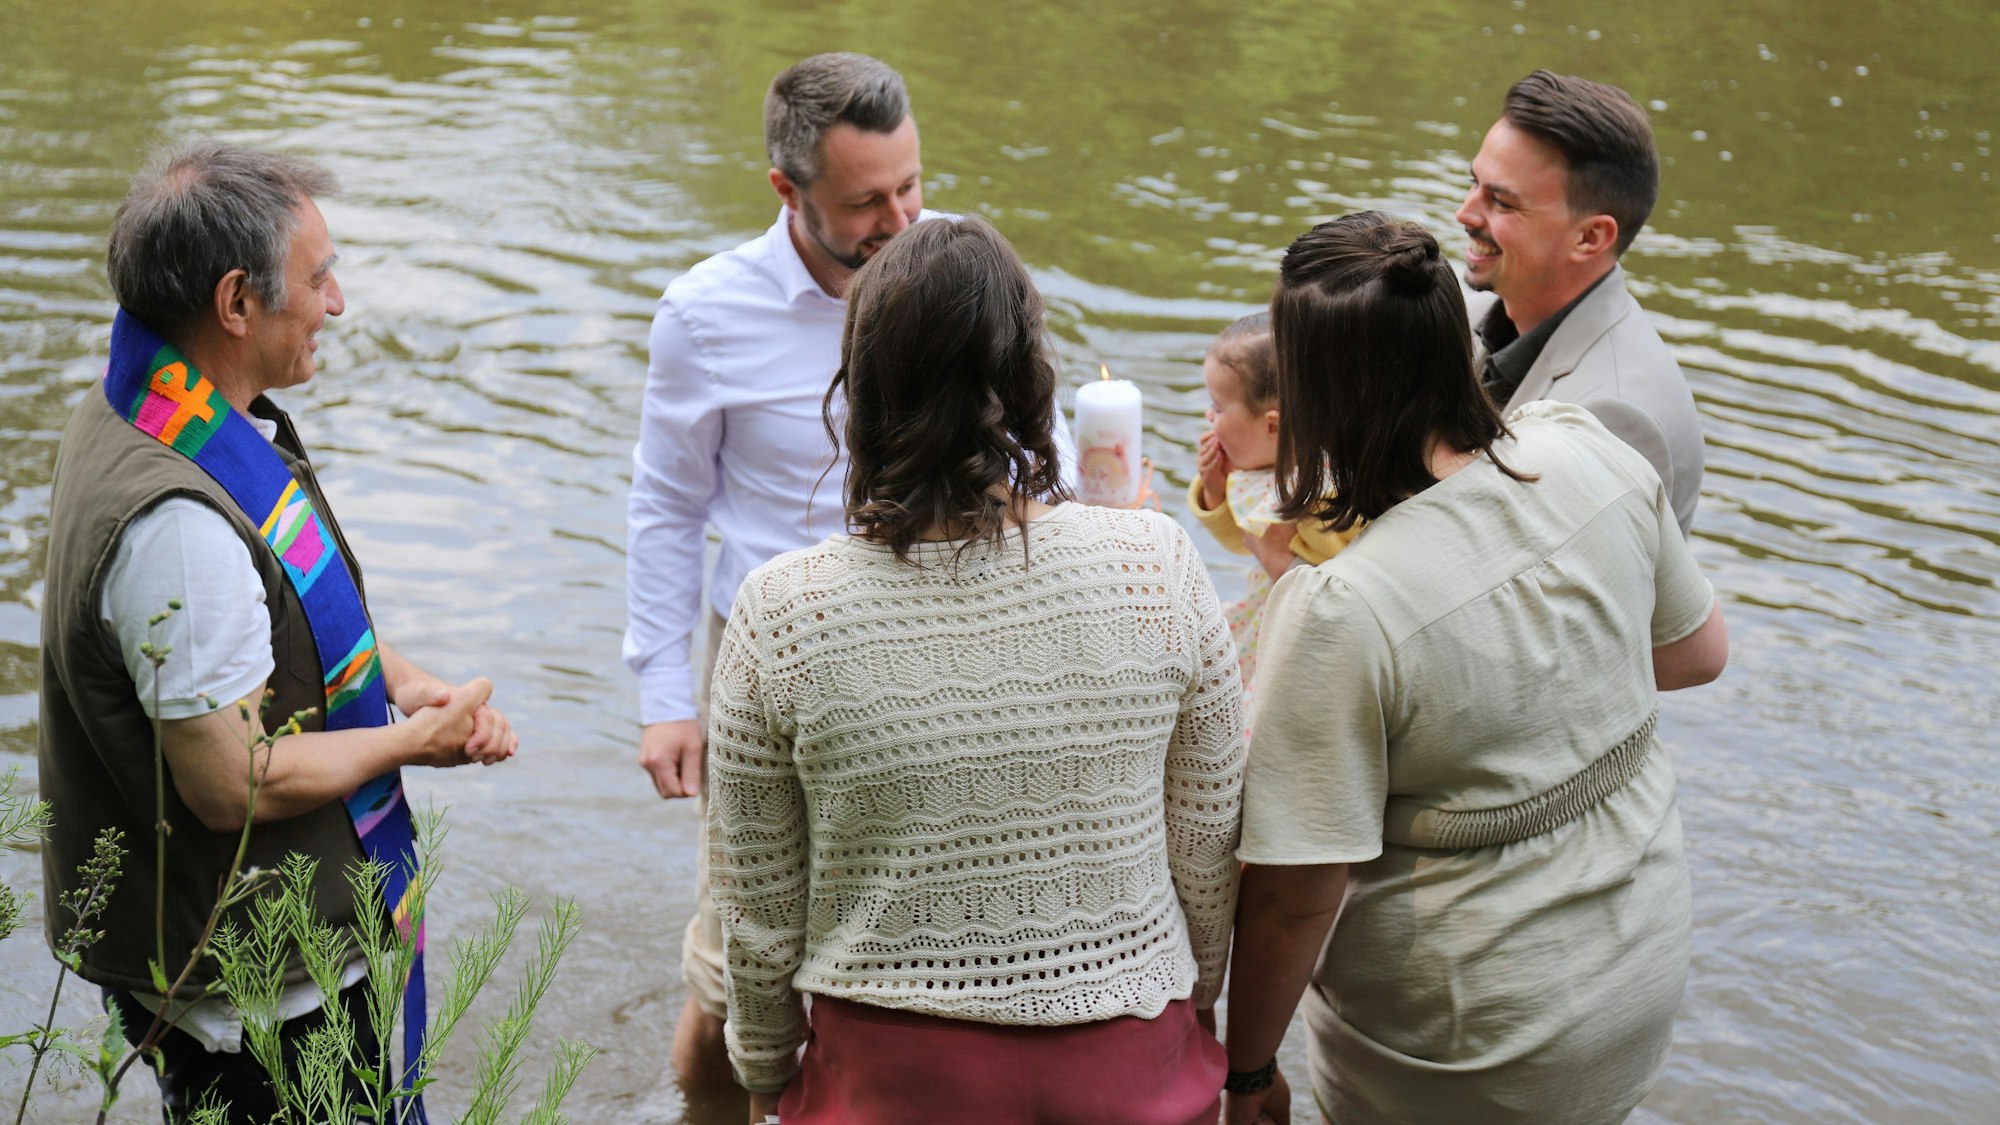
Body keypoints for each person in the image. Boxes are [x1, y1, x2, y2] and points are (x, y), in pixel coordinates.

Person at [705, 216, 1244, 1125]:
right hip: (1132, 1066)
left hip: (888, 1085)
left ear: (864, 386)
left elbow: (758, 904)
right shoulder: (1157, 562)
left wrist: (763, 1074)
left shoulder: (783, 611)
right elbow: (1207, 846)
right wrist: (1191, 1007)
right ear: (1031, 381)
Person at [38, 140, 516, 1124]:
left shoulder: (162, 404)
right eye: (318, 277)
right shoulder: (177, 526)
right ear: (235, 303)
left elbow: (277, 611)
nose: (337, 302)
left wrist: (398, 680)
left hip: (254, 958)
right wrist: (412, 743)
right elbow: (232, 783)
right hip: (255, 999)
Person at [622, 52, 1073, 1085]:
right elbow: (667, 506)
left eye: (910, 184)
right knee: (736, 951)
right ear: (786, 189)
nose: (901, 218)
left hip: (951, 641)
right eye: (867, 201)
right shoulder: (704, 315)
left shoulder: (959, 270)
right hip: (776, 659)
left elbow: (1030, 449)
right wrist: (664, 698)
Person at [1221, 213, 1727, 1124]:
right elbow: (1697, 650)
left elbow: (1294, 899)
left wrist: (1250, 1071)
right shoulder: (1584, 444)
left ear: (1313, 395)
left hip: (1474, 1039)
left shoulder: (1342, 604)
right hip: (1637, 973)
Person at [1456, 69, 1705, 535]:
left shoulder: (1615, 417)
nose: (1464, 213)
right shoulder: (1468, 314)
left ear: (1590, 238)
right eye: (1473, 183)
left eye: (1502, 202)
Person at [1186, 312, 1358, 700]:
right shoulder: (1267, 467)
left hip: (1306, 637)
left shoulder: (1324, 494)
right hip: (1270, 609)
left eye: (1218, 407)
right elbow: (1244, 541)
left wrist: (1287, 559)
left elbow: (1339, 577)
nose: (1209, 417)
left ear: (1271, 425)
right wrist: (1216, 490)